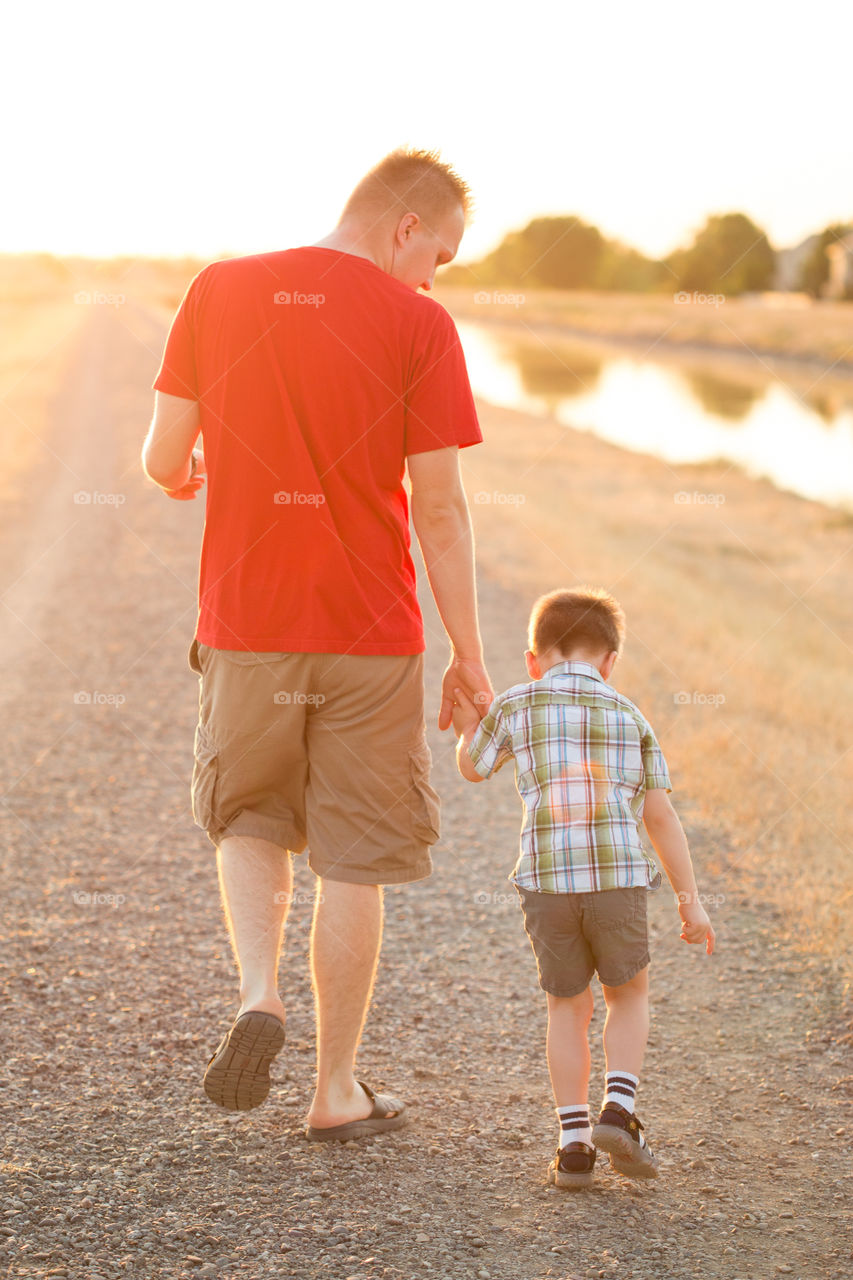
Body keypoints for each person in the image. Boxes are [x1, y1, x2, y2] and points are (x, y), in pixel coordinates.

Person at [141, 148, 493, 1142]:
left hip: (248, 625)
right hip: (371, 637)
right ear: (403, 228)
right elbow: (442, 513)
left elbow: (163, 455)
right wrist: (468, 654)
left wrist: (187, 471)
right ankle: (334, 1090)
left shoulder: (221, 287)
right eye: (442, 255)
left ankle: (261, 991)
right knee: (355, 856)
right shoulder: (420, 324)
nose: (436, 278)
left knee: (248, 811)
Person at [451, 586, 715, 1188]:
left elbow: (472, 767)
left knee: (566, 1007)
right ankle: (618, 1110)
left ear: (533, 658)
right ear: (610, 661)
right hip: (618, 881)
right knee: (629, 996)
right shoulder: (629, 715)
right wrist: (690, 900)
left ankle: (572, 1147)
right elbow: (660, 818)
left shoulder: (518, 702)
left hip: (547, 883)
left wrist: (467, 728)